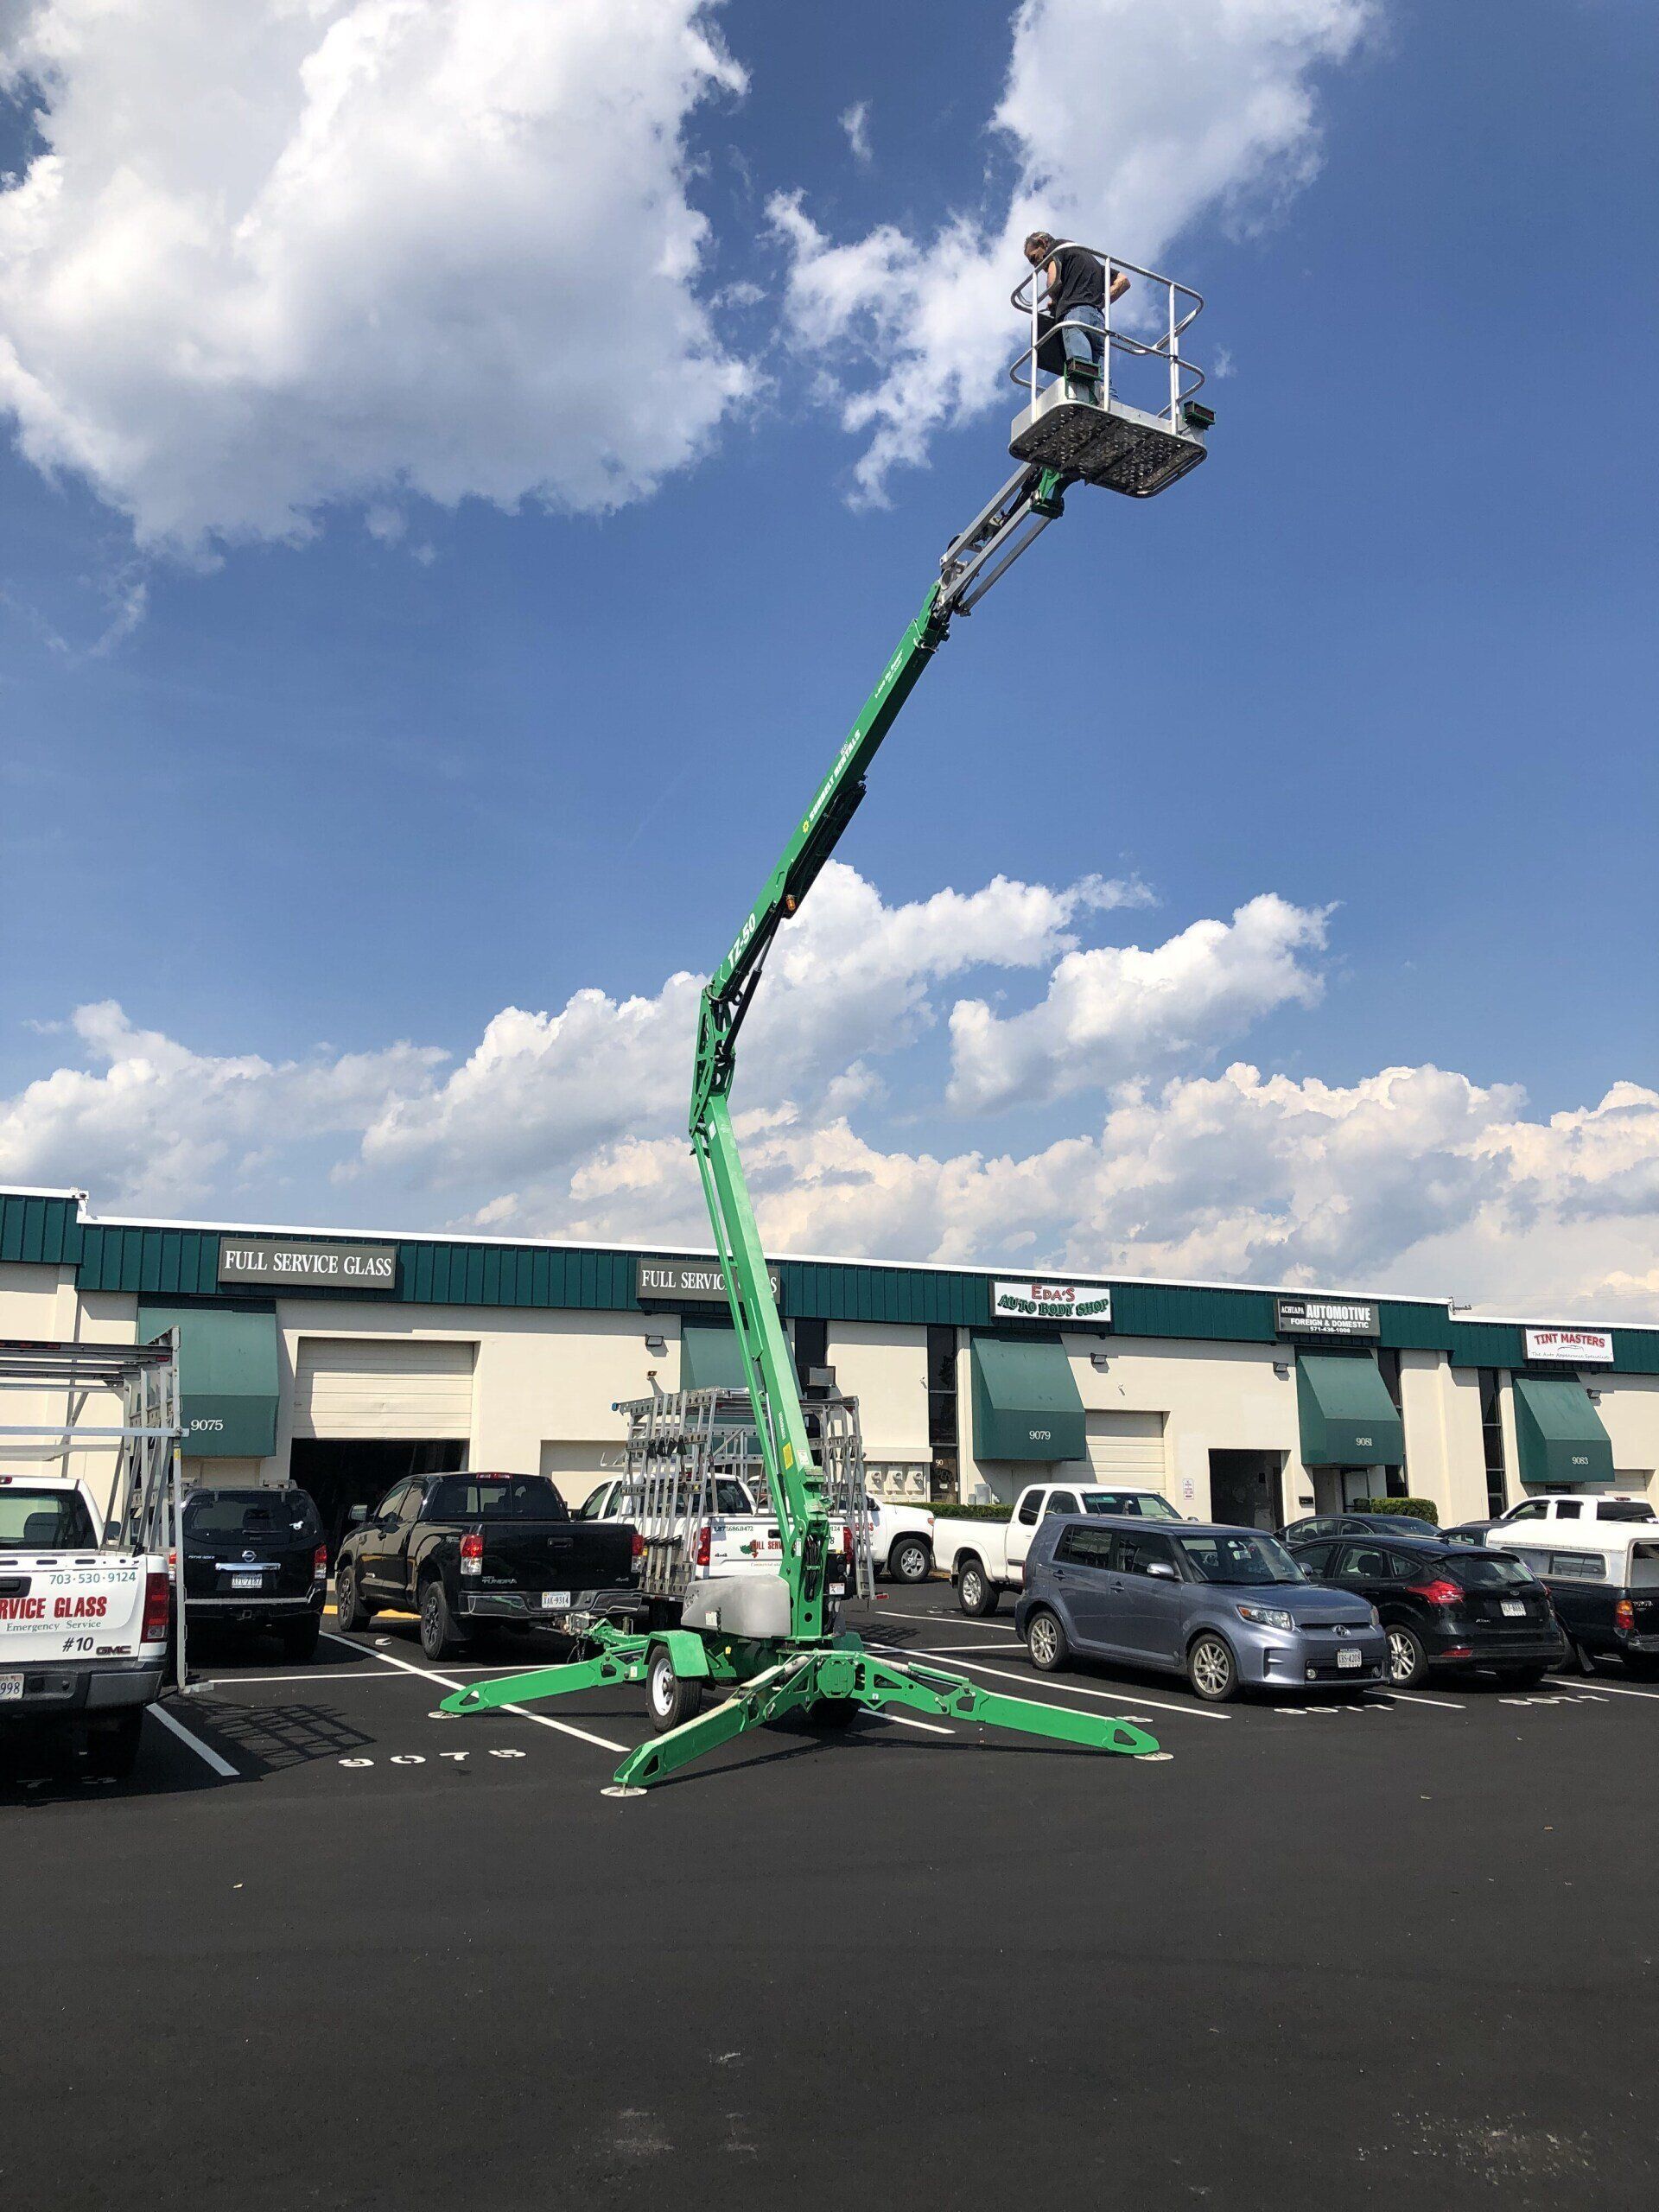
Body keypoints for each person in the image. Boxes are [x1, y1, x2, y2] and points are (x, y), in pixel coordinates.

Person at [1023, 230, 1129, 386]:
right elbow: (1123, 281)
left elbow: (1053, 282)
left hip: (1074, 316)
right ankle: (1108, 405)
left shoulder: (1057, 247)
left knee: (1082, 369)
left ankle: (1086, 404)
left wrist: (1055, 299)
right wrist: (1100, 302)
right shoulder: (1087, 258)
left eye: (1033, 258)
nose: (1036, 265)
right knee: (1103, 381)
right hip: (1097, 319)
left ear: (1042, 243)